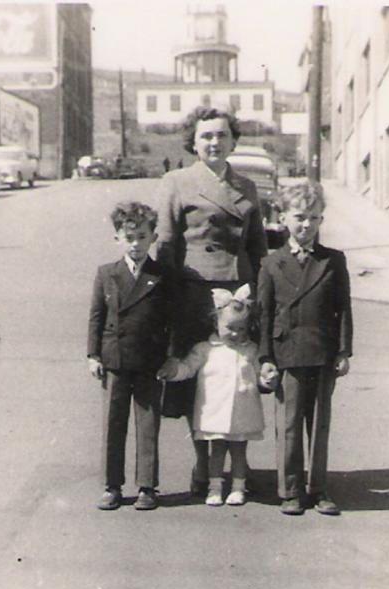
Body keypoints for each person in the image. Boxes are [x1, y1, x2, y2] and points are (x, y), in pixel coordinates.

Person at [155, 105, 268, 497]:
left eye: (221, 135)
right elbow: (166, 242)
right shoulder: (177, 181)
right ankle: (204, 463)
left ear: (233, 140)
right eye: (206, 136)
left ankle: (237, 459)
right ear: (193, 142)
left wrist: (261, 291)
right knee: (200, 378)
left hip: (239, 292)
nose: (214, 142)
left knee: (239, 377)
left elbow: (258, 246)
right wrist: (164, 293)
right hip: (194, 291)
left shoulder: (247, 187)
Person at [257, 181, 353, 516]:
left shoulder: (333, 261)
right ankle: (291, 490)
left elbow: (343, 309)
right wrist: (265, 358)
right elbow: (265, 314)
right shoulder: (271, 264)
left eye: (314, 217)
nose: (306, 224)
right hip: (287, 353)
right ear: (283, 217)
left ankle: (319, 489)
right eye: (299, 216)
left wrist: (343, 351)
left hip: (322, 352)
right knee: (289, 423)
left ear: (321, 220)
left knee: (320, 422)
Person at [87, 202, 174, 511]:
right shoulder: (107, 273)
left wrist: (170, 357)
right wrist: (93, 355)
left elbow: (172, 319)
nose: (135, 244)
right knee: (113, 423)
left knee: (148, 425)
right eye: (129, 237)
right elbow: (96, 317)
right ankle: (111, 485)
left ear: (153, 237)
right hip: (115, 361)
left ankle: (147, 486)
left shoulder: (162, 275)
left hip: (150, 362)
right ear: (117, 238)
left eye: (142, 237)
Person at [157, 285, 272, 506]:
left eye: (242, 328)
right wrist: (173, 372)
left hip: (242, 413)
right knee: (216, 451)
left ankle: (238, 488)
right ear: (216, 323)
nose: (236, 333)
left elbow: (260, 374)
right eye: (230, 328)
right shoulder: (205, 349)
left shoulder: (251, 350)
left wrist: (267, 379)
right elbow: (188, 368)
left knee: (239, 452)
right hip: (215, 412)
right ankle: (215, 487)